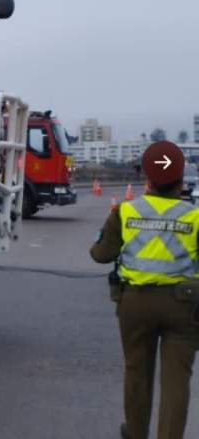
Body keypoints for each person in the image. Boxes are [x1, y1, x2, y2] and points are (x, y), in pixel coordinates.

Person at [90, 142, 199, 439]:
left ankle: (137, 433)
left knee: (137, 371)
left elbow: (100, 254)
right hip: (184, 305)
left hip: (135, 303)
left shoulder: (125, 211)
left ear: (148, 182)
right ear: (180, 185)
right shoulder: (195, 216)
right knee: (177, 378)